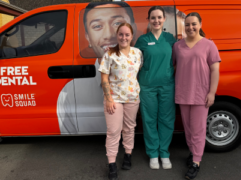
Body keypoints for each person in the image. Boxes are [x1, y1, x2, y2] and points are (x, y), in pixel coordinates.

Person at [57, 1, 138, 134]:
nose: (110, 34)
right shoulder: (70, 93)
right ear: (88, 37)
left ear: (132, 30)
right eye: (98, 26)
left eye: (117, 23)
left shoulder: (141, 64)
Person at [173, 12, 221, 179]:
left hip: (201, 94)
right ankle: (193, 153)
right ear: (184, 27)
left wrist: (212, 92)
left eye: (193, 24)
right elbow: (172, 67)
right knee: (188, 128)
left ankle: (196, 162)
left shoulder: (209, 45)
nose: (190, 27)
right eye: (187, 25)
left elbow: (215, 70)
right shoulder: (177, 46)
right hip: (183, 93)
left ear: (200, 24)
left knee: (198, 129)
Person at [99, 23, 143, 180]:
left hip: (132, 98)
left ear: (132, 36)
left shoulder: (137, 53)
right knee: (113, 131)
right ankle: (111, 163)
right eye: (121, 34)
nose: (124, 37)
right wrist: (109, 98)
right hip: (114, 99)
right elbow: (104, 77)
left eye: (127, 34)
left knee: (129, 128)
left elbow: (136, 74)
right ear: (117, 36)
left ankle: (128, 155)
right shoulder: (110, 54)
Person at [135, 6, 176, 170]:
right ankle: (153, 153)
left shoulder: (170, 38)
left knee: (166, 120)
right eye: (153, 17)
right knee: (149, 120)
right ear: (149, 20)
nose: (156, 20)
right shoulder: (142, 40)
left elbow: (186, 52)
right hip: (147, 86)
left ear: (164, 19)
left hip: (167, 85)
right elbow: (131, 60)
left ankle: (164, 153)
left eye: (159, 17)